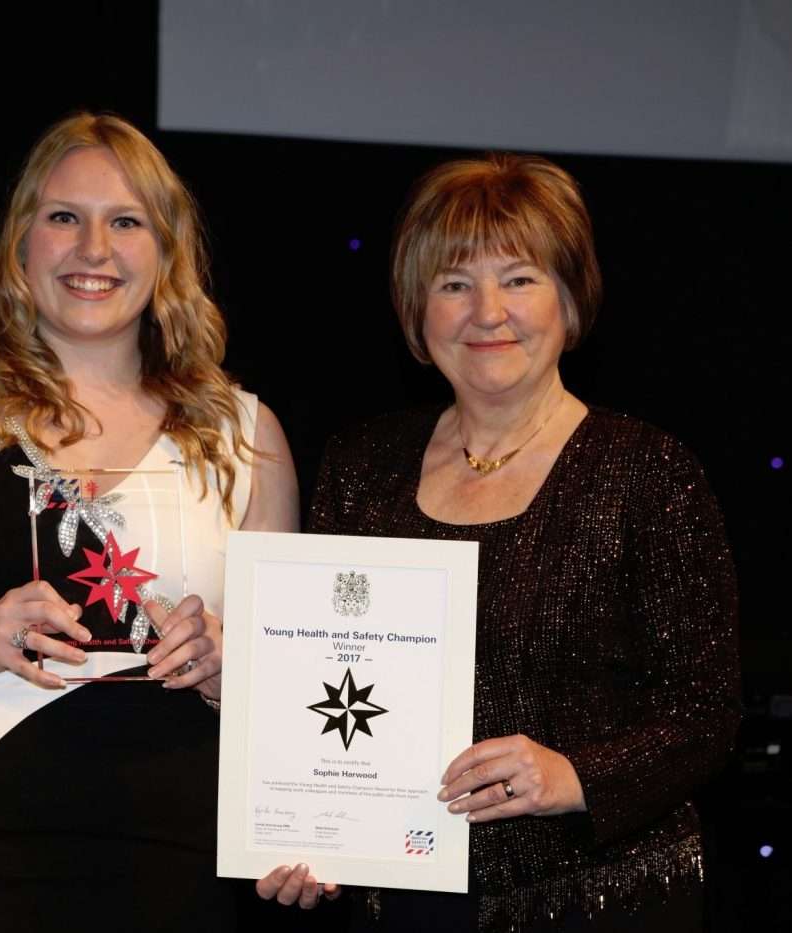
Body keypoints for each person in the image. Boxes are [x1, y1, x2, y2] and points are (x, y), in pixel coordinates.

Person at [0, 113, 325, 931]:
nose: (93, 248)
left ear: (167, 251)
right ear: (21, 242)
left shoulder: (246, 435)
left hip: (171, 865)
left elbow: (290, 691)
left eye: (126, 221)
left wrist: (228, 665)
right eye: (64, 217)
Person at [304, 154, 740, 931]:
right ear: (416, 311)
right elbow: (316, 679)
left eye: (519, 278)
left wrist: (570, 773)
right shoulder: (359, 468)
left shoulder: (648, 472)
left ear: (570, 302)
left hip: (601, 898)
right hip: (404, 900)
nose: (487, 311)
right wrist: (304, 831)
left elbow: (706, 712)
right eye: (454, 283)